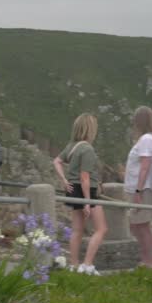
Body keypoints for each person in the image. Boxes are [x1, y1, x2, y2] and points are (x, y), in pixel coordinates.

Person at [53, 113, 107, 275]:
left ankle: (74, 264)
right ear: (90, 130)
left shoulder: (72, 146)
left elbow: (56, 161)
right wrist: (88, 202)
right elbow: (85, 177)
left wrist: (63, 179)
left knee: (77, 229)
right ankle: (87, 264)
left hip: (73, 189)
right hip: (86, 191)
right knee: (101, 229)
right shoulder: (87, 149)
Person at [124, 106, 152, 268]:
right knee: (136, 224)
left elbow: (145, 166)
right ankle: (145, 259)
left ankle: (149, 262)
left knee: (142, 225)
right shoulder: (148, 138)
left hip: (143, 190)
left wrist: (138, 191)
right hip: (138, 189)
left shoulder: (146, 139)